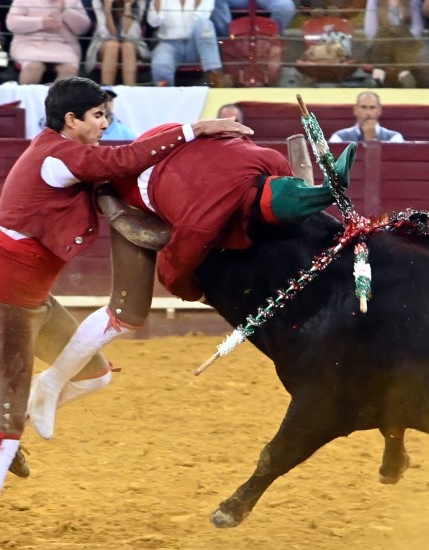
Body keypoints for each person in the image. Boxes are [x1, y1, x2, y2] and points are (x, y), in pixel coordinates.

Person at [0, 76, 252, 550]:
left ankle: (1, 428)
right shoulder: (56, 156)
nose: (105, 125)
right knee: (5, 428)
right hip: (2, 309)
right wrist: (195, 129)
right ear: (72, 120)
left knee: (93, 375)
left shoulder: (64, 157)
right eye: (98, 116)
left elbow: (117, 165)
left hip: (35, 305)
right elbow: (122, 162)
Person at [26, 131, 357, 441]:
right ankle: (51, 384)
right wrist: (196, 294)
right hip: (128, 193)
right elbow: (174, 270)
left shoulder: (274, 162)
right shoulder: (205, 217)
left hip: (174, 154)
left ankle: (36, 396)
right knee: (126, 313)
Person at [147, 0, 233, 88]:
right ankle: (166, 97)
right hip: (169, 43)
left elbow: (201, 19)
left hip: (196, 45)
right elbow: (153, 22)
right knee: (161, 63)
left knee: (205, 25)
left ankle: (215, 75)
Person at [6, 0, 91, 85]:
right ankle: (27, 97)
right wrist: (41, 22)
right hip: (29, 43)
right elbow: (12, 23)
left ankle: (61, 97)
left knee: (69, 70)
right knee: (33, 67)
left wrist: (65, 11)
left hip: (64, 46)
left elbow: (83, 29)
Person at [364, 0, 429, 88]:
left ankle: (377, 77)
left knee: (392, 31)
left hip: (408, 46)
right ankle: (404, 73)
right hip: (381, 47)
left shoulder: (414, 1)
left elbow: (417, 29)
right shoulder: (374, 1)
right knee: (385, 31)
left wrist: (397, 37)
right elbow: (370, 32)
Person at [83, 0, 150, 86]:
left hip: (134, 44)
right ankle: (106, 92)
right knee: (113, 45)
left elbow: (131, 35)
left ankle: (130, 91)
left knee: (127, 46)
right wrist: (107, 11)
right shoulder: (97, 2)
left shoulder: (140, 2)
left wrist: (127, 7)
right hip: (103, 43)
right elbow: (106, 34)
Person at [329, 91, 405, 143]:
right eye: (363, 107)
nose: (368, 113)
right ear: (355, 110)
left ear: (379, 110)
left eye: (372, 108)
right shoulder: (339, 137)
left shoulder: (394, 137)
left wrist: (370, 139)